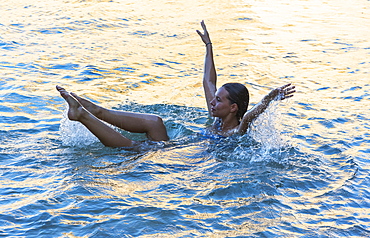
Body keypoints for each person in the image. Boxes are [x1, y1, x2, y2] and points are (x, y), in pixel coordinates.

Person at [56, 21, 295, 148]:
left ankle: (83, 116)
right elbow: (208, 81)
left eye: (219, 99)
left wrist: (268, 99)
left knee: (136, 147)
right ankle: (94, 111)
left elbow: (250, 116)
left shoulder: (235, 131)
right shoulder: (217, 119)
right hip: (179, 146)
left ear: (234, 107)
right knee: (155, 122)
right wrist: (209, 47)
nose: (212, 100)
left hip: (180, 161)